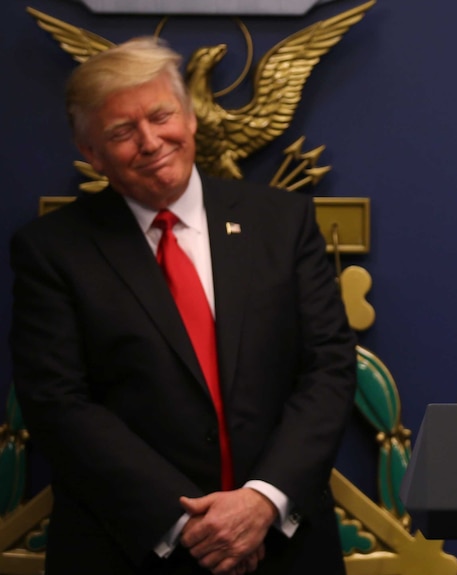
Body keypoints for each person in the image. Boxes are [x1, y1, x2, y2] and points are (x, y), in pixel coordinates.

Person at [10, 37, 357, 575]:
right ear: (91, 154)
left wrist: (263, 500)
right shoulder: (52, 251)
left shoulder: (283, 223)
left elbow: (329, 369)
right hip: (129, 546)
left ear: (191, 118)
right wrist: (192, 527)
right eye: (122, 132)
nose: (150, 141)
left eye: (160, 116)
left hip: (285, 547)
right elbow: (59, 404)